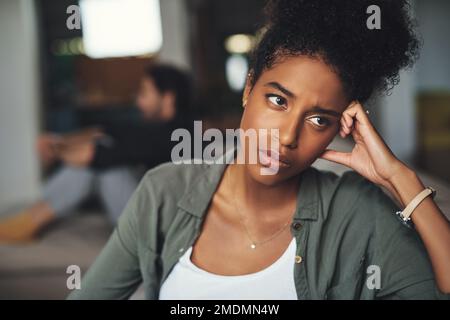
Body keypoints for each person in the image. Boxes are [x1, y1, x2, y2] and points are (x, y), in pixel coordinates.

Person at [68, 0, 450, 299]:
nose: (286, 137)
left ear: (340, 127)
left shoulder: (359, 211)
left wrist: (400, 178)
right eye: (278, 101)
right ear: (249, 88)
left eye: (319, 120)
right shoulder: (163, 193)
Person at [0, 63, 193, 243]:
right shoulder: (158, 129)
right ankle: (32, 216)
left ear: (168, 98)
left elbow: (98, 156)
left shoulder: (173, 135)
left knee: (103, 166)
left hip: (157, 230)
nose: (138, 101)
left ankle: (31, 220)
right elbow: (106, 132)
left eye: (144, 93)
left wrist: (57, 152)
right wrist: (60, 142)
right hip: (150, 216)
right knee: (103, 153)